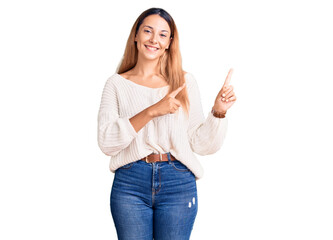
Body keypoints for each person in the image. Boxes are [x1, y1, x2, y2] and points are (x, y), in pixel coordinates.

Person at [97, 7, 236, 240]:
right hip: (130, 182)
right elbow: (107, 142)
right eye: (148, 31)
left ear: (170, 42)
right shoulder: (116, 84)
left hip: (178, 181)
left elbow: (200, 144)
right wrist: (152, 111)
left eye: (163, 34)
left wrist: (219, 112)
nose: (154, 40)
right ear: (136, 35)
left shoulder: (184, 82)